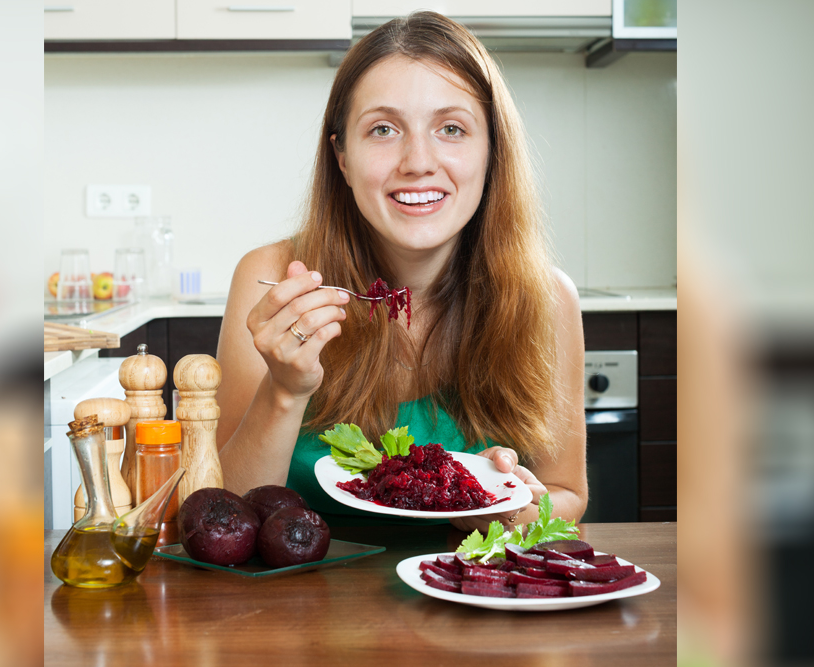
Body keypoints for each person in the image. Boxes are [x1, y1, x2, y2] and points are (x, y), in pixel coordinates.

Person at [214, 11, 587, 533]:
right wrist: (284, 389)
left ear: (492, 151)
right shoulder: (272, 276)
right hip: (301, 606)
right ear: (342, 156)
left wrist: (511, 510)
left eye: (452, 129)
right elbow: (225, 512)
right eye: (384, 129)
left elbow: (566, 495)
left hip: (470, 601)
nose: (418, 161)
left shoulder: (547, 299)